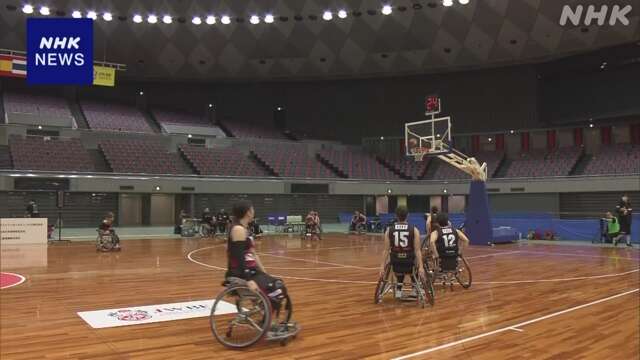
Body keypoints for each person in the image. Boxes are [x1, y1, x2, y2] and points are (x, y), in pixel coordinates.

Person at [226, 200, 289, 334]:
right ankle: (268, 322)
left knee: (278, 284)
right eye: (252, 209)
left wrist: (265, 273)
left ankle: (266, 318)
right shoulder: (237, 229)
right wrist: (249, 279)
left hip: (252, 271)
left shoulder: (245, 229)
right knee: (274, 289)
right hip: (240, 273)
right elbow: (239, 257)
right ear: (248, 212)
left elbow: (253, 254)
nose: (254, 211)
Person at [379, 205, 425, 299]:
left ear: (396, 216)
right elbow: (417, 250)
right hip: (409, 261)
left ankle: (399, 290)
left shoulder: (389, 230)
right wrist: (421, 267)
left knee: (398, 265)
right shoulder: (414, 230)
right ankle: (414, 289)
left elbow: (386, 250)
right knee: (415, 262)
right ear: (408, 215)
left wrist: (382, 266)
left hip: (395, 261)